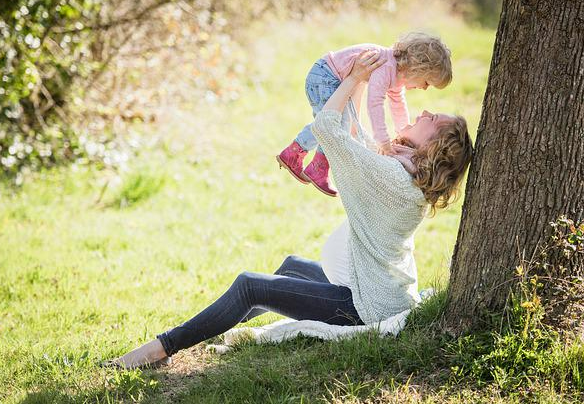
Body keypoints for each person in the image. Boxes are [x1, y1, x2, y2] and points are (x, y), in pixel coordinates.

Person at [104, 51, 472, 369]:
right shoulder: (406, 175)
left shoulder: (392, 177)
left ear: (435, 147)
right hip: (373, 289)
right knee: (290, 267)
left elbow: (327, 127)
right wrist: (362, 86)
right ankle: (207, 328)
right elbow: (360, 140)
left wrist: (356, 77)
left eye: (433, 119)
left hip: (363, 306)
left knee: (250, 285)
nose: (424, 110)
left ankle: (161, 348)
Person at [276, 32, 452, 197]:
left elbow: (398, 105)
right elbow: (374, 104)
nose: (424, 88)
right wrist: (383, 141)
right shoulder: (386, 67)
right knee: (333, 123)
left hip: (329, 77)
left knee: (334, 123)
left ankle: (305, 159)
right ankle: (310, 162)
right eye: (427, 82)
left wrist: (403, 131)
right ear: (418, 69)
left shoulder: (396, 75)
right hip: (325, 77)